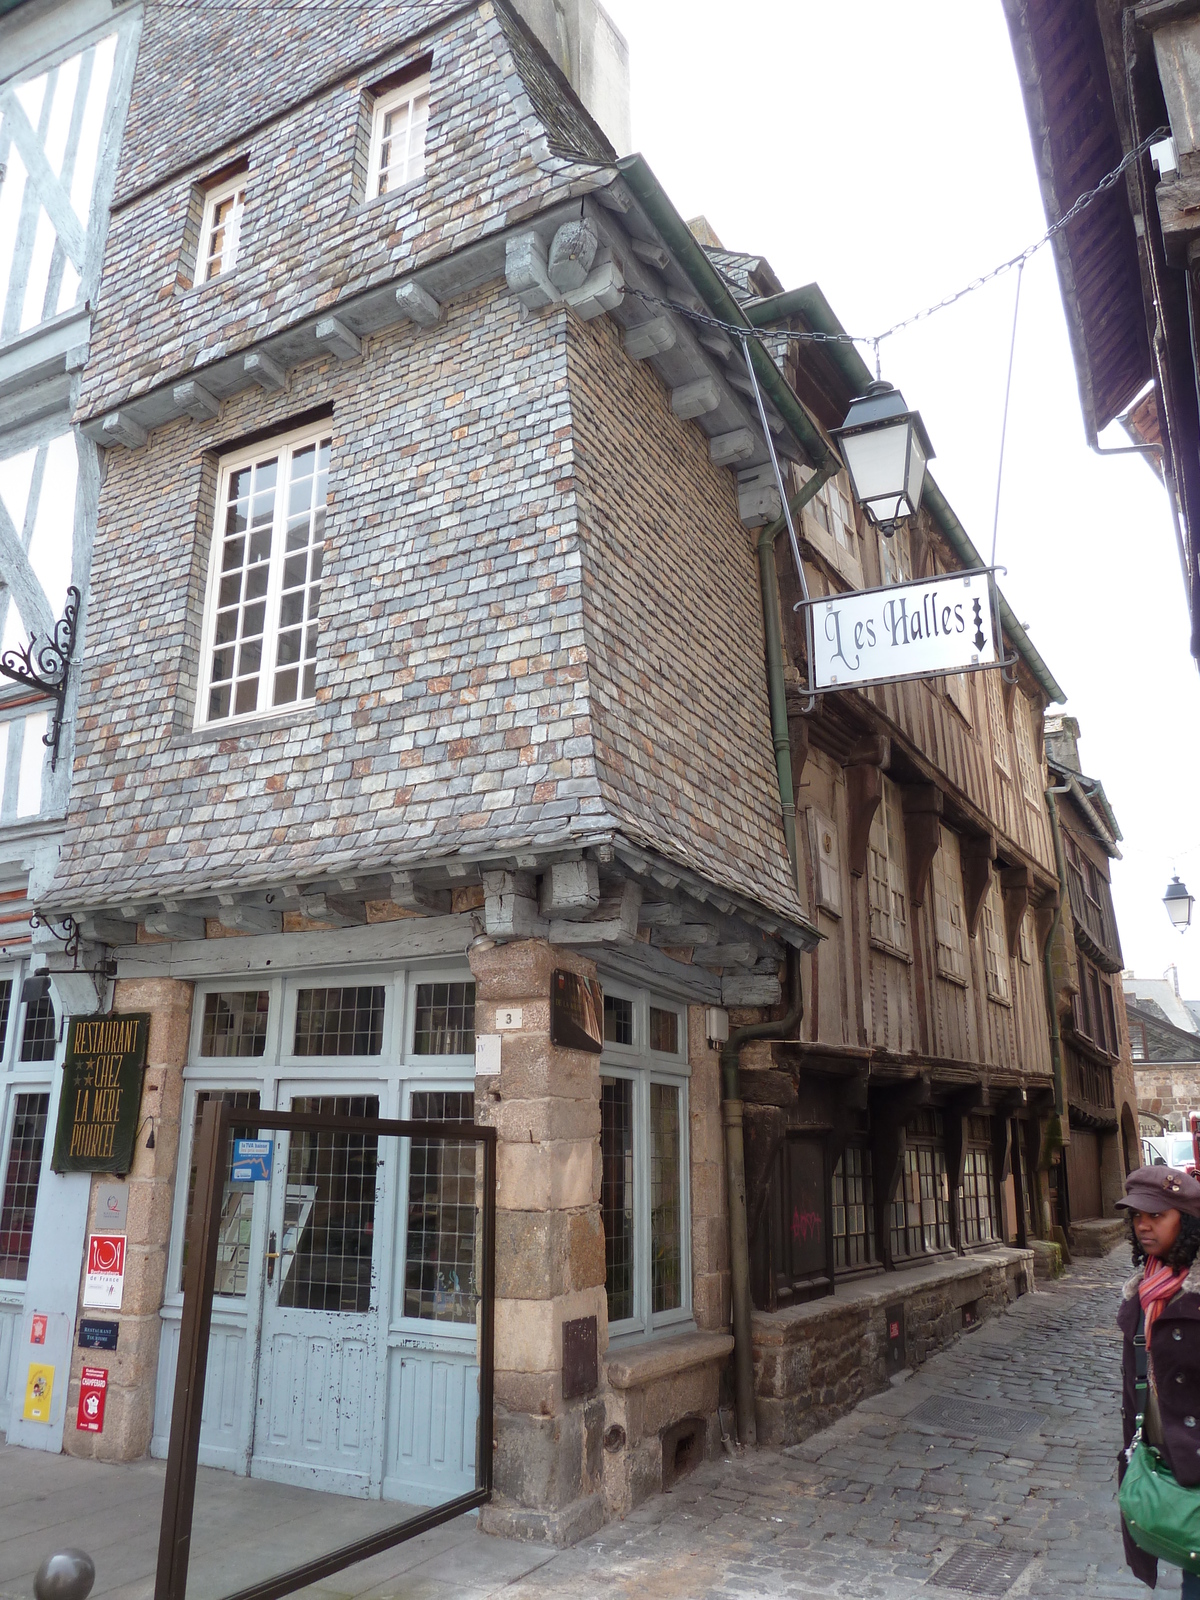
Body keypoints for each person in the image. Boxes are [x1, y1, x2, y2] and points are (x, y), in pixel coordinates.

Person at [1116, 1166, 1200, 1594]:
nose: (1142, 1225)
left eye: (1156, 1215)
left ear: (1185, 1219)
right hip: (1163, 1459)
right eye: (1136, 1216)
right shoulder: (1144, 1289)